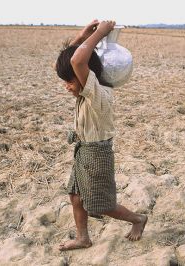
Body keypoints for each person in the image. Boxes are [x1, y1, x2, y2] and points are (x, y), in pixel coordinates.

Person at [55, 19, 148, 251]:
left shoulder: (97, 92)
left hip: (98, 155)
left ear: (86, 74)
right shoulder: (84, 85)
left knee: (101, 203)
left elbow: (77, 60)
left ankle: (138, 219)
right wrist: (83, 35)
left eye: (69, 81)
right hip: (83, 151)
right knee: (76, 196)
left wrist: (100, 34)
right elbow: (70, 61)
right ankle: (83, 238)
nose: (66, 86)